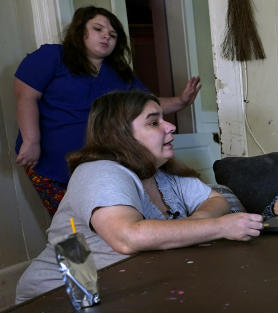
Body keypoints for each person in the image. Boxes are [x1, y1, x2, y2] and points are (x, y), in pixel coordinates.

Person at [16, 90, 264, 313]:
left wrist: (192, 226)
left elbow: (216, 199)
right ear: (120, 134)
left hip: (124, 303)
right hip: (60, 303)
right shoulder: (99, 172)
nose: (170, 126)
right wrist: (216, 228)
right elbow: (126, 236)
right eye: (154, 121)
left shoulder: (163, 178)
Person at [14, 5, 202, 216]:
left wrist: (181, 101)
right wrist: (31, 141)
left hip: (99, 164)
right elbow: (25, 96)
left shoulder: (119, 72)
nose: (106, 36)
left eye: (112, 34)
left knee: (109, 219)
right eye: (98, 29)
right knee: (72, 221)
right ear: (79, 30)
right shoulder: (53, 56)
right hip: (50, 163)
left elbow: (147, 104)